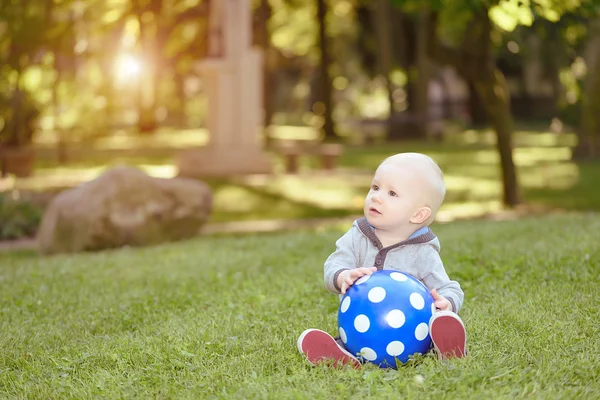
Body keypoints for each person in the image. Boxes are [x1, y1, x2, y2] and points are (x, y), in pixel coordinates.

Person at [297, 152, 466, 369]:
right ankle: (342, 356)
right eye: (375, 187)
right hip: (362, 331)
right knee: (351, 340)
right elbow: (333, 266)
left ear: (418, 215)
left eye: (392, 193)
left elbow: (449, 288)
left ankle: (447, 347)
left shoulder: (423, 252)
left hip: (412, 338)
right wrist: (343, 276)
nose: (376, 196)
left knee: (431, 334)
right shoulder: (357, 237)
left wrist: (446, 303)